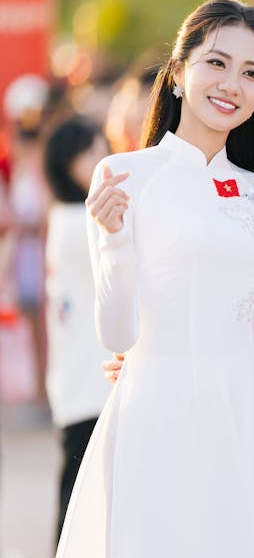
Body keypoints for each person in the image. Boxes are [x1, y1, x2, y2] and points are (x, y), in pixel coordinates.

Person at [56, 0, 254, 558]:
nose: (232, 83)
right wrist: (114, 239)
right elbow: (116, 335)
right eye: (217, 62)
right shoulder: (123, 175)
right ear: (180, 73)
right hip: (159, 403)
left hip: (250, 407)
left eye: (251, 72)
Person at [42, 116, 113, 542]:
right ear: (67, 162)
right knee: (76, 512)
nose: (102, 157)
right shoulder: (78, 220)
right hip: (88, 385)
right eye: (91, 151)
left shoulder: (64, 215)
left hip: (78, 382)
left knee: (78, 506)